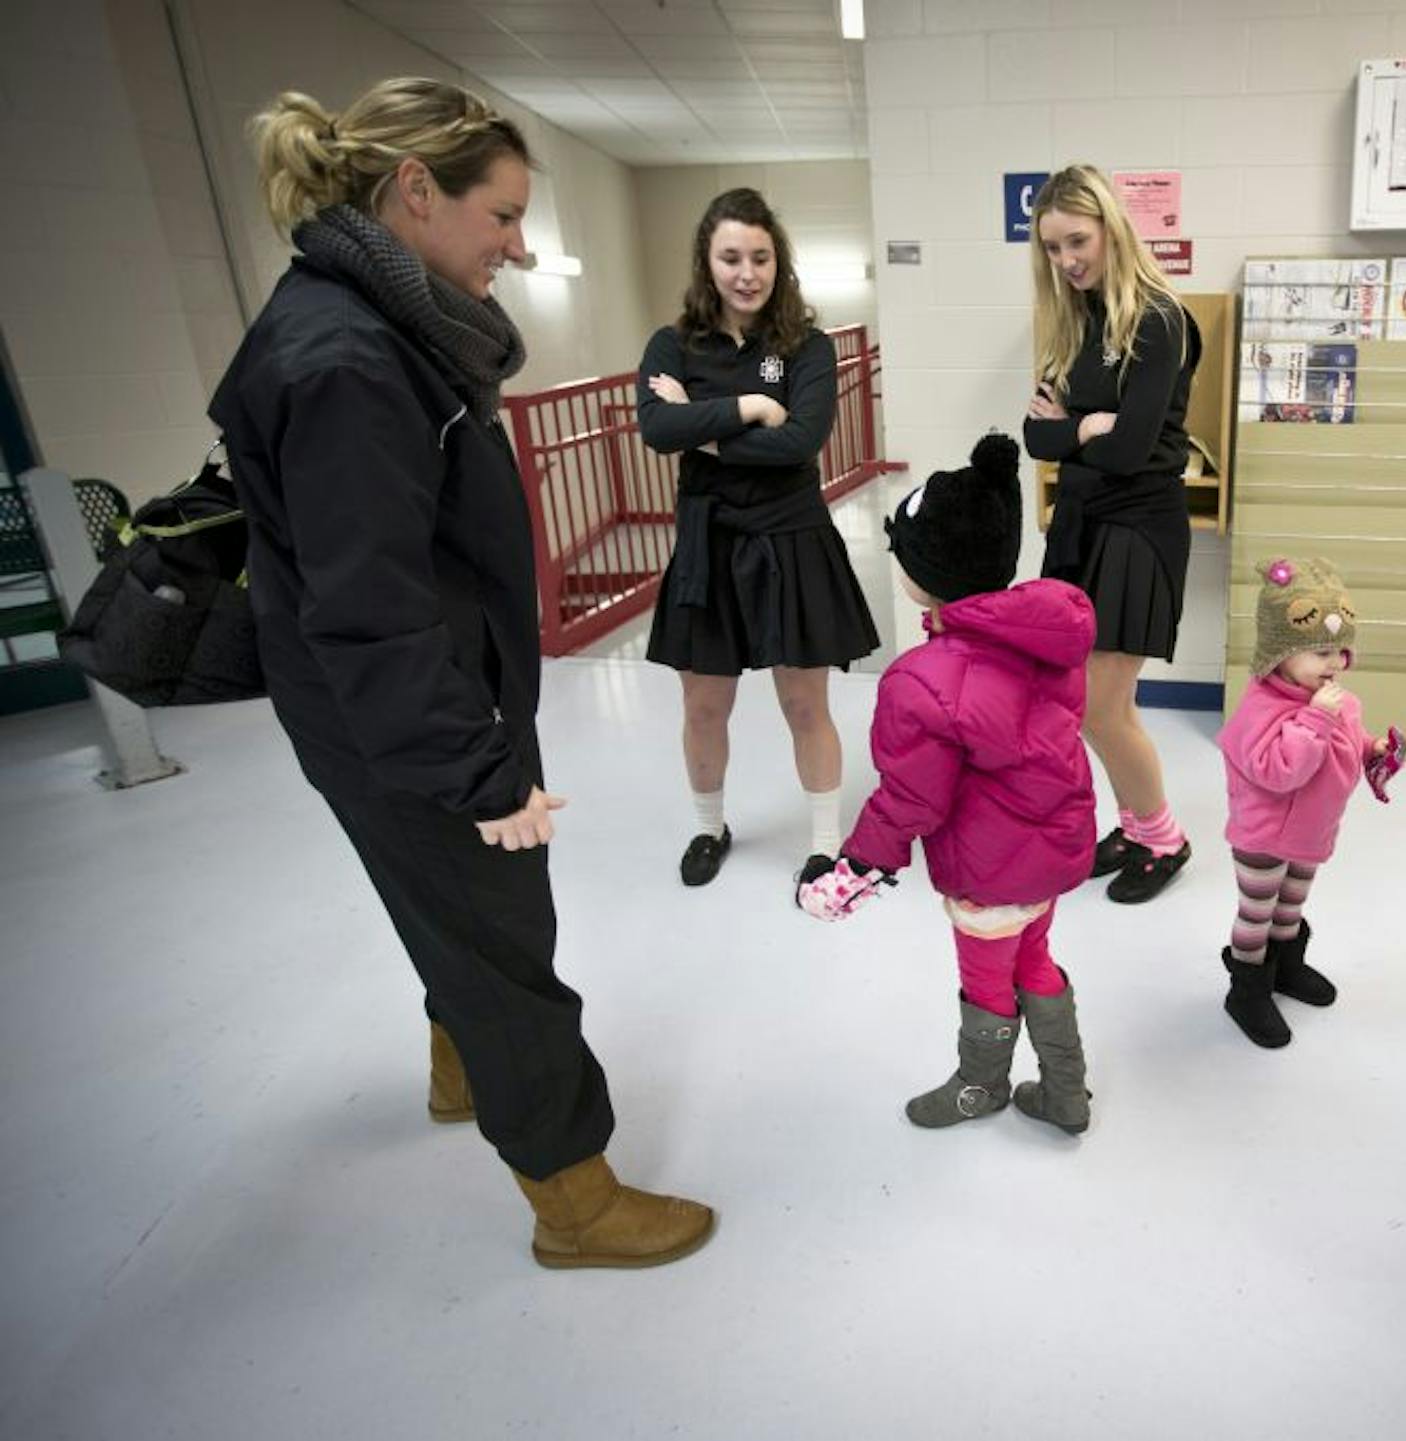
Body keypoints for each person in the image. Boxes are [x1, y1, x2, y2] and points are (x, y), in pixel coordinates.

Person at [209, 78, 712, 1267]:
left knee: (460, 916)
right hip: (410, 716)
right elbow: (372, 613)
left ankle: (459, 1071)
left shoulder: (372, 323)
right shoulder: (347, 360)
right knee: (503, 946)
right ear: (415, 191)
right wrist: (479, 777)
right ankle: (574, 1201)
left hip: (423, 697)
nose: (520, 246)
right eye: (502, 216)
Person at [798, 434, 1097, 1136]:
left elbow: (912, 797)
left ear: (923, 571)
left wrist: (858, 865)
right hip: (1049, 852)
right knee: (1036, 956)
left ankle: (980, 1087)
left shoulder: (921, 680)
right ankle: (1067, 1092)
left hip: (990, 868)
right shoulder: (1041, 641)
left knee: (987, 977)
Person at [637, 188, 880, 895]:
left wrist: (702, 429)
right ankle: (710, 827)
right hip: (707, 543)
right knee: (703, 706)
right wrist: (747, 409)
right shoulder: (673, 344)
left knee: (805, 705)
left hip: (791, 538)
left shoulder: (806, 347)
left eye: (761, 257)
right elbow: (656, 427)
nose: (747, 272)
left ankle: (825, 843)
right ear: (706, 262)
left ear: (780, 261)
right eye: (731, 257)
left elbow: (801, 442)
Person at [1022, 163, 1201, 905]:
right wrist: (1083, 427)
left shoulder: (1158, 319)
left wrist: (1076, 428)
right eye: (1053, 249)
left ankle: (1163, 836)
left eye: (1077, 241)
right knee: (1088, 702)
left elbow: (1130, 452)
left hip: (1137, 529)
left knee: (1103, 705)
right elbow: (1036, 437)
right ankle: (1133, 821)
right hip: (1084, 524)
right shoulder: (1079, 319)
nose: (1067, 261)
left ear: (1110, 227)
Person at [1216, 558, 1404, 1048]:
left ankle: (1286, 967)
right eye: (1320, 652)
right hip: (1263, 835)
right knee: (1258, 913)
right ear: (1280, 653)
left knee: (1290, 907)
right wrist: (1316, 721)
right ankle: (1247, 988)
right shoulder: (1261, 709)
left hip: (1311, 833)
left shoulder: (1337, 700)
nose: (1334, 664)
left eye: (1340, 651)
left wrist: (1373, 749)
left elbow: (1349, 742)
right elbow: (1280, 772)